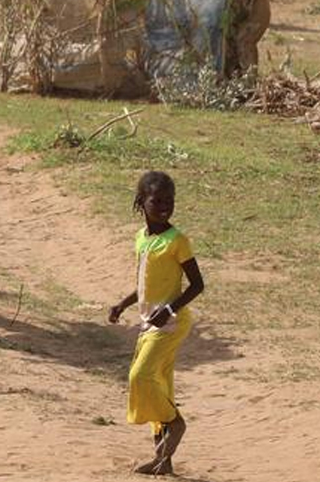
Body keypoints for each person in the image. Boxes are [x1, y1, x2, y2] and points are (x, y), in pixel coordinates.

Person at [108, 171, 204, 477]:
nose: (164, 206)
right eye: (157, 201)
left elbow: (197, 285)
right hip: (150, 322)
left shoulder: (177, 241)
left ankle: (175, 423)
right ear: (141, 202)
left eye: (169, 201)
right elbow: (146, 284)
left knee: (141, 376)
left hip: (171, 324)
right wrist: (123, 304)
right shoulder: (142, 238)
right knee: (160, 385)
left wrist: (169, 310)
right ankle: (164, 460)